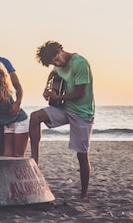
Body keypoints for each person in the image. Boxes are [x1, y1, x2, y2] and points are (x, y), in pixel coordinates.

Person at [29, 40, 95, 199]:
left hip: (82, 112)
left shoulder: (80, 63)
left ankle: (84, 194)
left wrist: (58, 96)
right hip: (65, 108)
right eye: (53, 62)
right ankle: (34, 161)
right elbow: (53, 73)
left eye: (57, 59)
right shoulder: (57, 64)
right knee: (34, 117)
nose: (57, 63)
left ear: (60, 50)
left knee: (81, 154)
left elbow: (80, 93)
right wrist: (47, 87)